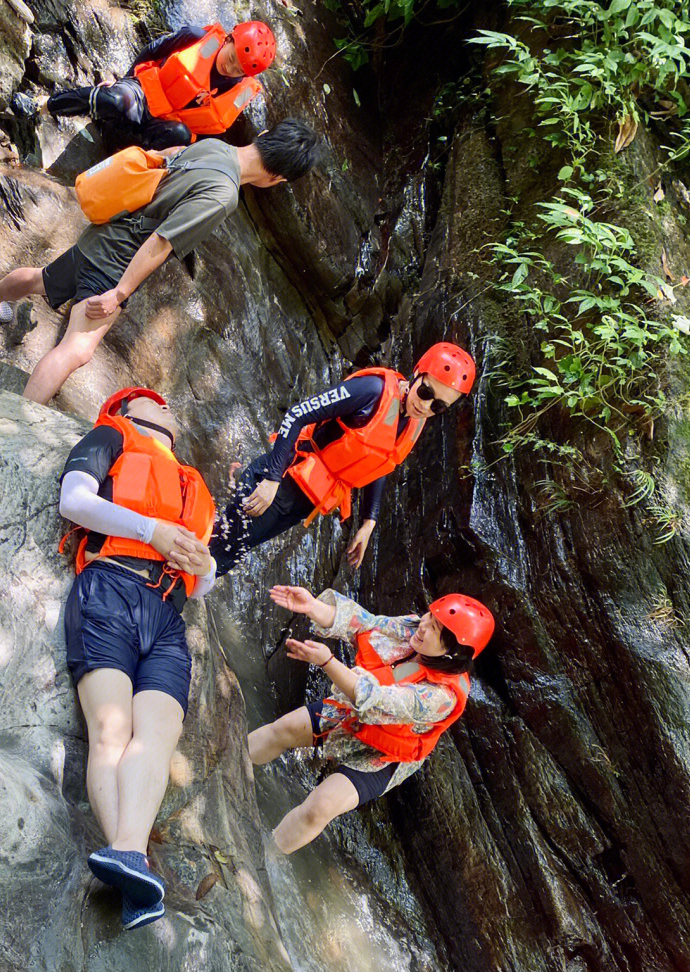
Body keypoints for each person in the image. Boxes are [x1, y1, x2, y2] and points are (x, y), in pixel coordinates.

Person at [0, 120, 319, 405]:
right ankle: (16, 418)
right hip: (117, 260)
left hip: (103, 233)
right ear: (278, 179)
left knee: (42, 279)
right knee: (78, 349)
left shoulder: (216, 145)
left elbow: (162, 157)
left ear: (265, 134)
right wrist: (119, 292)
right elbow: (162, 241)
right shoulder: (224, 195)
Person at [58, 387, 216, 929]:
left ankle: (126, 860)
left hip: (169, 614)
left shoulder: (194, 484)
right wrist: (153, 531)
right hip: (109, 588)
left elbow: (200, 588)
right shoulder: (110, 436)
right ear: (126, 411)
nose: (166, 402)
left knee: (159, 735)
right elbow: (73, 501)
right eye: (150, 398)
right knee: (112, 731)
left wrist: (205, 564)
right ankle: (132, 863)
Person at [248, 584, 495, 853]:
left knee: (321, 807)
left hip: (382, 754)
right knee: (284, 729)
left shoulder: (441, 697)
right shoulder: (415, 630)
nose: (423, 625)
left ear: (452, 653)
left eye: (434, 629)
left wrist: (327, 662)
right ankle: (228, 760)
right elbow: (365, 625)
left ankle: (263, 853)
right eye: (429, 616)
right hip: (353, 712)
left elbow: (376, 699)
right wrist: (312, 607)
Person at [208, 342, 476, 575]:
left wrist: (369, 521)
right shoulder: (372, 390)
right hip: (281, 478)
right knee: (219, 550)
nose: (426, 406)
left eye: (438, 407)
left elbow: (381, 463)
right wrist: (271, 478)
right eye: (426, 392)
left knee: (227, 555)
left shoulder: (412, 422)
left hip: (301, 503)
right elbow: (297, 414)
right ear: (417, 373)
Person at [35, 22, 276, 151]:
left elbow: (209, 132)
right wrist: (122, 82)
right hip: (144, 94)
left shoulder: (241, 93)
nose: (230, 69)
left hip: (160, 133)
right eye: (231, 58)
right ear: (229, 39)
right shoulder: (196, 37)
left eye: (239, 71)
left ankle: (123, 150)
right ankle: (44, 106)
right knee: (116, 100)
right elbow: (152, 50)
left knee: (181, 135)